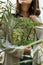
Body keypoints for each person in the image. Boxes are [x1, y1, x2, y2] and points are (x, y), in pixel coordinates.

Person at [0, 0, 41, 65]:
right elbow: (1, 41)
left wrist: (37, 22)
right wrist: (20, 50)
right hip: (12, 60)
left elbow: (41, 39)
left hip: (32, 61)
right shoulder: (8, 15)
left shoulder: (38, 17)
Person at [15, 0, 41, 65]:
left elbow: (41, 39)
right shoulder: (12, 16)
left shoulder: (37, 18)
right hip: (14, 57)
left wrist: (37, 23)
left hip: (30, 59)